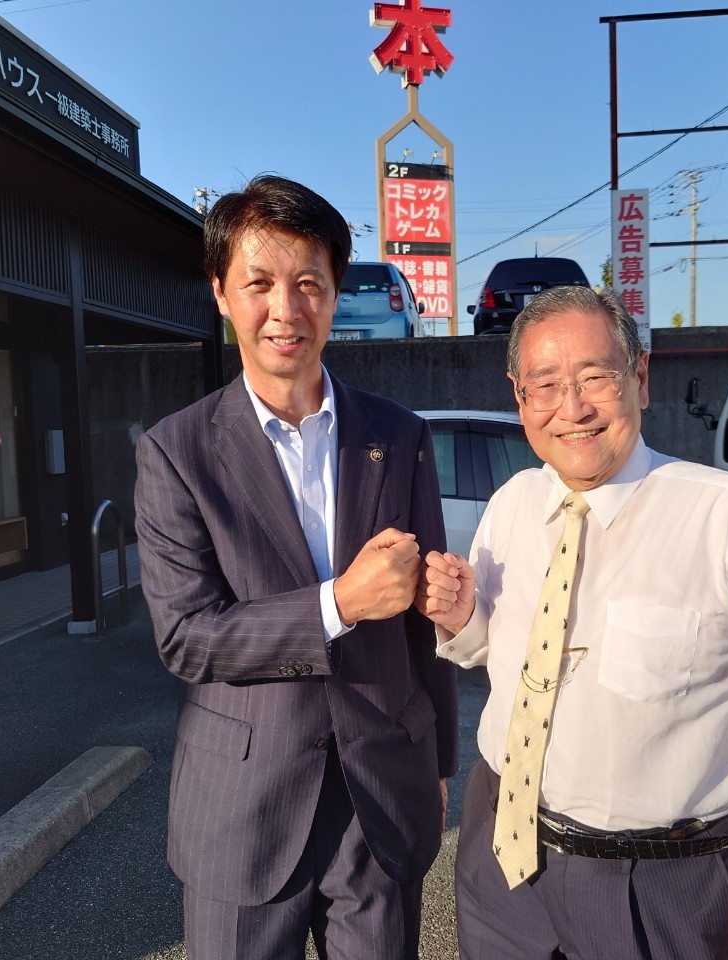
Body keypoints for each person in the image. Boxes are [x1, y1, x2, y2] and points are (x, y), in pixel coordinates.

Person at [416, 286, 728, 960]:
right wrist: (463, 619)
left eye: (595, 377)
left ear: (639, 377)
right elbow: (500, 654)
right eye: (545, 385)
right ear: (519, 397)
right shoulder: (513, 503)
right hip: (499, 854)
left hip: (660, 881)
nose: (572, 408)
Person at [134, 175, 458, 959]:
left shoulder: (399, 435)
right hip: (242, 807)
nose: (286, 309)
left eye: (309, 283)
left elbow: (427, 623)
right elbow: (187, 638)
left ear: (335, 292)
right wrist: (337, 603)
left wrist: (441, 759)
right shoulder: (176, 452)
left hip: (381, 794)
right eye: (260, 283)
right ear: (221, 294)